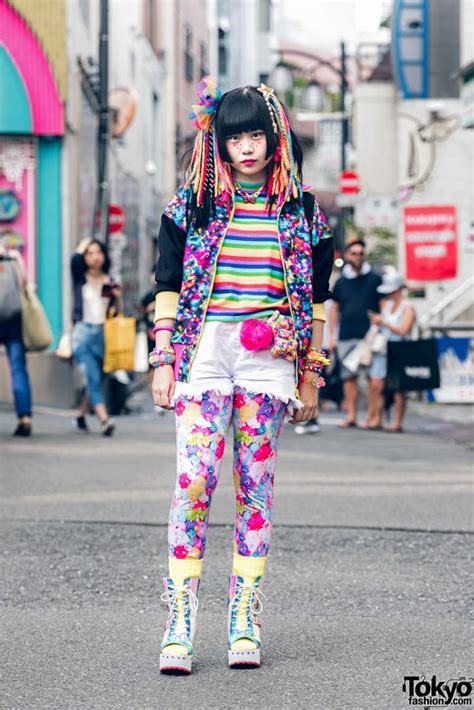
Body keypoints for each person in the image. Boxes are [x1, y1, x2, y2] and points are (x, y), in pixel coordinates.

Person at [151, 77, 334, 673]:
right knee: (195, 482)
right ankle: (179, 622)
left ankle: (243, 621)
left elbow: (320, 300)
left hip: (270, 357)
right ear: (218, 142)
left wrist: (311, 374)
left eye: (256, 134)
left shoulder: (304, 211)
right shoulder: (191, 206)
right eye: (236, 137)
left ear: (274, 136)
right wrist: (163, 359)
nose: (247, 148)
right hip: (204, 352)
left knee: (255, 491)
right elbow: (168, 285)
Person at [328, 239, 382, 428]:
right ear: (347, 256)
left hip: (369, 337)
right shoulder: (342, 282)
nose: (358, 257)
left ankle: (371, 416)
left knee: (372, 379)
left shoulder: (375, 279)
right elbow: (335, 309)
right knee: (348, 377)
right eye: (354, 253)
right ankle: (351, 414)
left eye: (361, 253)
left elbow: (382, 305)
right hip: (346, 335)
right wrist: (332, 335)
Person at [71, 238, 121, 436]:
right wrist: (83, 244)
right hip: (82, 333)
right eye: (89, 253)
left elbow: (114, 313)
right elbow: (73, 260)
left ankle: (80, 415)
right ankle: (104, 419)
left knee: (97, 378)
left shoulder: (109, 280)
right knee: (92, 376)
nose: (95, 257)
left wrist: (117, 297)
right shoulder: (79, 278)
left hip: (103, 333)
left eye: (98, 252)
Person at [368, 271, 416, 432]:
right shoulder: (387, 305)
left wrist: (384, 323)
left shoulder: (407, 306)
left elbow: (403, 330)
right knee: (377, 384)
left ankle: (397, 421)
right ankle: (377, 418)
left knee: (398, 387)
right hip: (383, 348)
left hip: (399, 349)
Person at [0, 246, 33, 436]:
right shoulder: (12, 257)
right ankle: (25, 418)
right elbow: (24, 284)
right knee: (18, 369)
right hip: (14, 321)